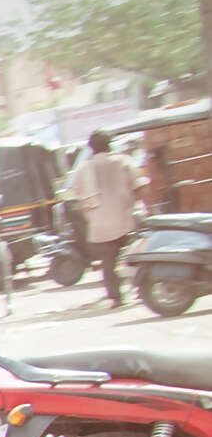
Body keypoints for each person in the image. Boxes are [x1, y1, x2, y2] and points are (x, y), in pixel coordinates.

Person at [69, 131, 141, 308]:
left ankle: (115, 297)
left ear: (91, 148)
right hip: (127, 220)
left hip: (100, 226)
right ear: (110, 144)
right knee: (139, 253)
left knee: (108, 263)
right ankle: (142, 289)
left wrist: (90, 216)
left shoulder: (83, 169)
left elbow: (77, 198)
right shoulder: (124, 161)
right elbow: (139, 186)